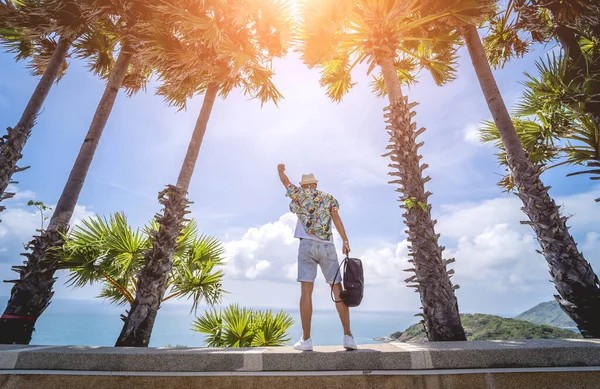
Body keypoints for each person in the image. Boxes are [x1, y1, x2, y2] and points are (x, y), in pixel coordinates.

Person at [277, 164, 357, 351]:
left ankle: (306, 340)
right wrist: (345, 240)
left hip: (307, 246)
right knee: (337, 288)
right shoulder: (328, 198)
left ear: (304, 185)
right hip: (328, 246)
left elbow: (285, 182)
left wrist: (280, 170)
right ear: (315, 184)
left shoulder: (298, 195)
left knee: (306, 291)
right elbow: (336, 220)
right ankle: (348, 337)